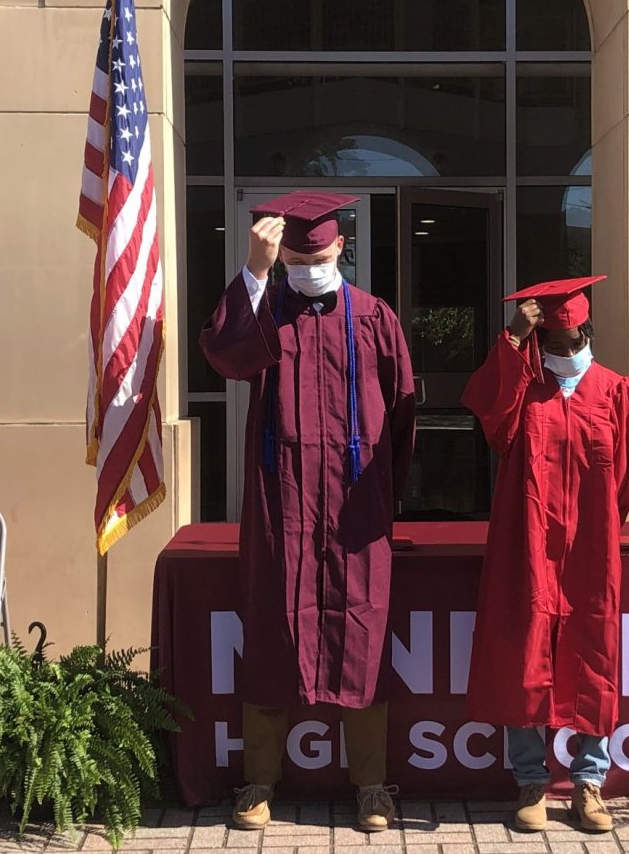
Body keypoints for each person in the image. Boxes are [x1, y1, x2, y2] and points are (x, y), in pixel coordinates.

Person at [200, 191, 415, 832]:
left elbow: (402, 413)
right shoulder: (266, 312)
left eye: (316, 255)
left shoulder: (375, 317)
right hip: (282, 500)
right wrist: (257, 271)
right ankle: (260, 780)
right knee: (272, 626)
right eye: (295, 258)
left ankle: (373, 785)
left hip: (354, 506)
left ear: (341, 247)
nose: (308, 265)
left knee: (363, 635)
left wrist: (384, 498)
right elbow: (225, 354)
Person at [461, 276, 629, 833]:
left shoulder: (616, 392)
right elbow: (488, 409)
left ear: (588, 332)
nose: (565, 352)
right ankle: (531, 782)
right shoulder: (526, 388)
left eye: (572, 341)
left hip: (590, 547)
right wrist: (514, 342)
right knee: (527, 655)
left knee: (594, 655)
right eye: (553, 343)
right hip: (530, 542)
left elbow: (626, 478)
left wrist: (601, 531)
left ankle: (590, 784)